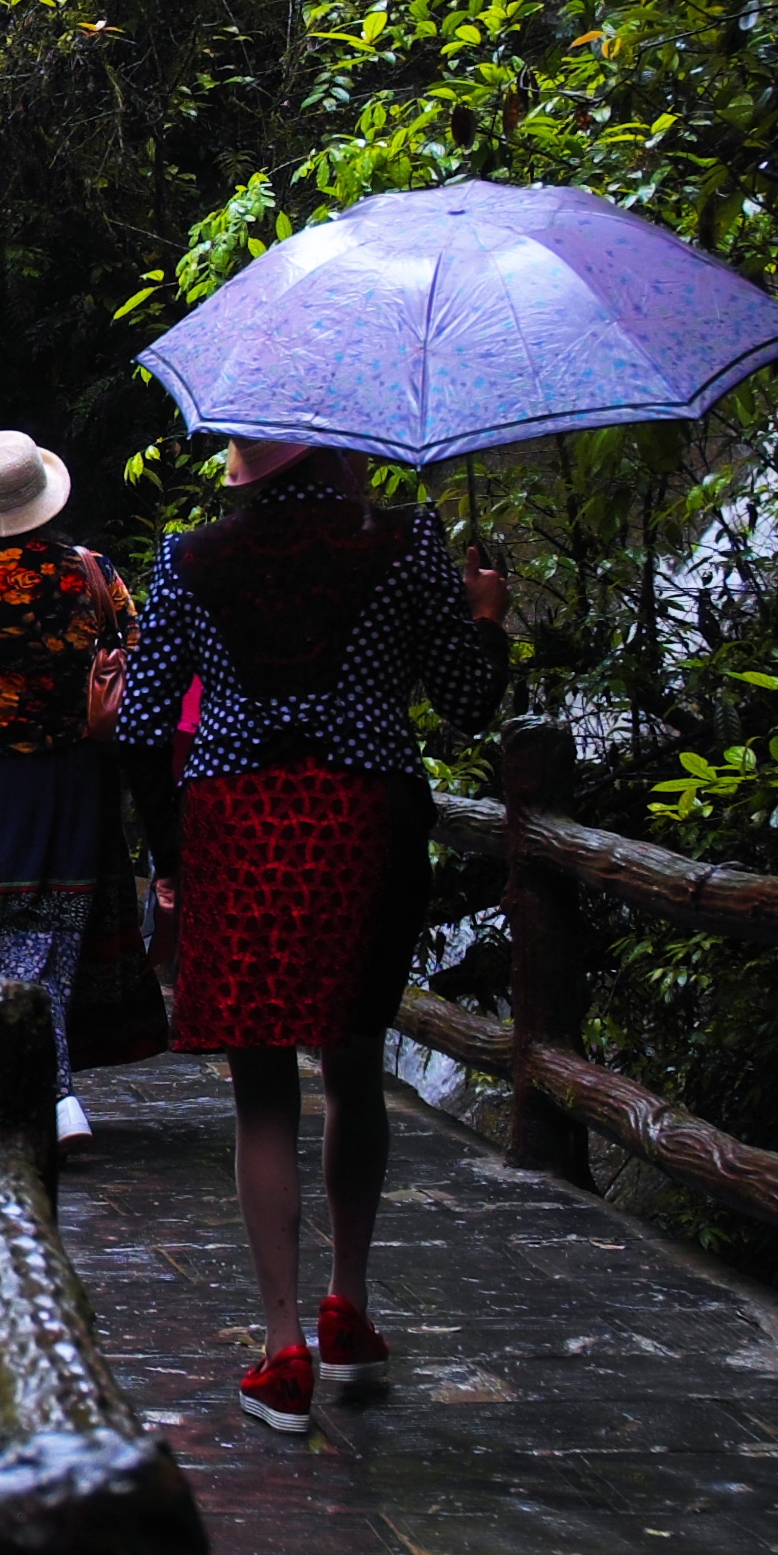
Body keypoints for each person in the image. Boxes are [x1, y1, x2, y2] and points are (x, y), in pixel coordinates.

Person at [110, 438, 510, 1435]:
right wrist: (486, 619)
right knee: (355, 1062)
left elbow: (143, 722)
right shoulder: (409, 544)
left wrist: (173, 854)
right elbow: (467, 701)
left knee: (261, 1092)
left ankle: (281, 1345)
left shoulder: (189, 557)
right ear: (336, 456)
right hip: (364, 816)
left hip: (238, 826)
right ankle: (351, 1307)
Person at [0, 430, 141, 1149]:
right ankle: (52, 1086)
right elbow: (135, 660)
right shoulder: (95, 574)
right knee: (55, 935)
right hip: (74, 778)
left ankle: (43, 1088)